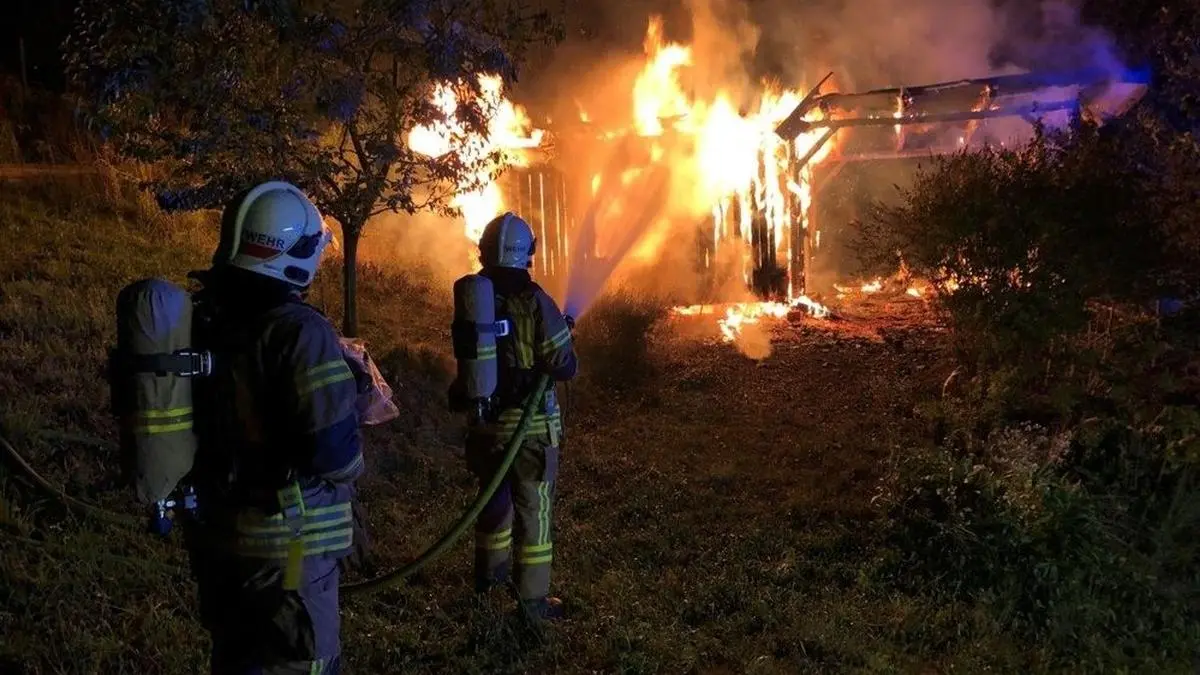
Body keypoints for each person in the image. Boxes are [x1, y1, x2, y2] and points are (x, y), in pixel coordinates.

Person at [185, 181, 364, 674]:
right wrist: (355, 393)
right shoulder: (300, 331)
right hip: (287, 553)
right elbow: (338, 458)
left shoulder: (207, 318)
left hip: (222, 539)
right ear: (292, 253)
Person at [451, 211, 579, 621]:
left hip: (486, 424)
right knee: (533, 513)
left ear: (485, 251)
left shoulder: (476, 300)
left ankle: (487, 583)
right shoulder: (536, 300)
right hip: (531, 429)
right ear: (527, 254)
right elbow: (564, 363)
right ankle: (533, 602)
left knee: (492, 506)